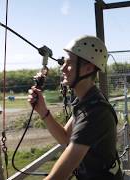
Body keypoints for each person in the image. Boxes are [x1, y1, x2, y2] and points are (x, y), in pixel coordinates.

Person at [28, 35, 123, 180]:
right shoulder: (87, 100)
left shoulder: (95, 112)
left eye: (69, 63)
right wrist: (43, 111)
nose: (63, 68)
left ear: (88, 68)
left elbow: (57, 177)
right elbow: (66, 138)